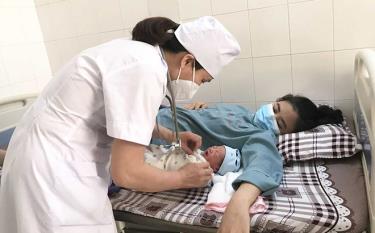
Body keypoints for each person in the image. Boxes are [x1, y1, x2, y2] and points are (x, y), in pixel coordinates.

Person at [0, 16, 240, 233]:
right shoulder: (146, 69)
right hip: (52, 171)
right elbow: (126, 173)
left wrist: (170, 135)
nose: (198, 85)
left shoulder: (138, 54)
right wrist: (183, 178)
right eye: (202, 79)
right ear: (188, 60)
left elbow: (124, 117)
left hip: (45, 156)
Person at [156, 94, 343, 233]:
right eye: (275, 108)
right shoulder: (242, 111)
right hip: (159, 112)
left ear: (284, 134)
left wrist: (240, 202)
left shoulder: (261, 136)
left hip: (151, 131)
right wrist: (196, 108)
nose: (271, 117)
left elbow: (264, 163)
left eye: (280, 124)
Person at [144, 144, 241, 175]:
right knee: (148, 148)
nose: (212, 149)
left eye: (216, 154)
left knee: (145, 160)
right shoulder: (199, 152)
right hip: (164, 153)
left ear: (216, 168)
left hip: (162, 164)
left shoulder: (203, 169)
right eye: (215, 147)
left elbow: (190, 165)